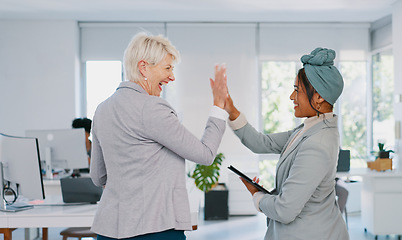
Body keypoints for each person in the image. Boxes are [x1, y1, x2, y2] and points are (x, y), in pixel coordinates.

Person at [89, 32, 228, 240]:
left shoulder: (102, 109)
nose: (172, 76)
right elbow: (206, 154)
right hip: (154, 230)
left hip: (108, 231)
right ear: (144, 67)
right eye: (167, 68)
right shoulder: (152, 108)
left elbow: (98, 176)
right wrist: (219, 106)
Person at [225, 48, 349, 239]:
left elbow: (285, 210)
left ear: (319, 97)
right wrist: (231, 110)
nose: (292, 96)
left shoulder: (318, 144)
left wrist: (257, 196)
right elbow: (262, 143)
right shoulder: (306, 129)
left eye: (297, 90)